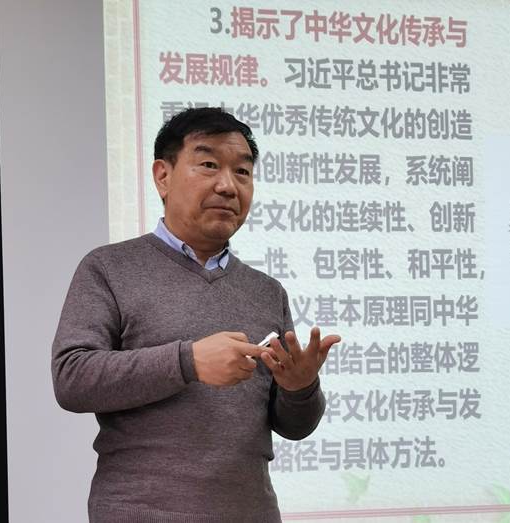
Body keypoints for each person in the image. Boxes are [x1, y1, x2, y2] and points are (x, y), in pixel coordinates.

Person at [52, 107, 340, 523]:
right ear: (162, 176)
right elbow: (71, 379)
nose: (228, 185)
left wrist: (300, 389)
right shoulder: (109, 268)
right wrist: (188, 361)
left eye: (242, 172)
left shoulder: (266, 292)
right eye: (208, 165)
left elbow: (294, 427)